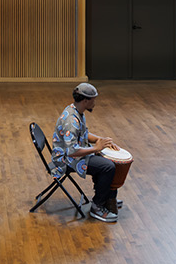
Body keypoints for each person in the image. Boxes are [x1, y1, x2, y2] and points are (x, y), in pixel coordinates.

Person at [51, 82, 123, 223]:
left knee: (107, 161)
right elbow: (71, 151)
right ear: (85, 100)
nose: (94, 103)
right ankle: (97, 206)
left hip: (74, 153)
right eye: (93, 100)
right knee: (108, 167)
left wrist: (100, 140)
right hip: (66, 160)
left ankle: (108, 197)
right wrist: (96, 148)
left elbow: (84, 134)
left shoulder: (76, 110)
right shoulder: (71, 120)